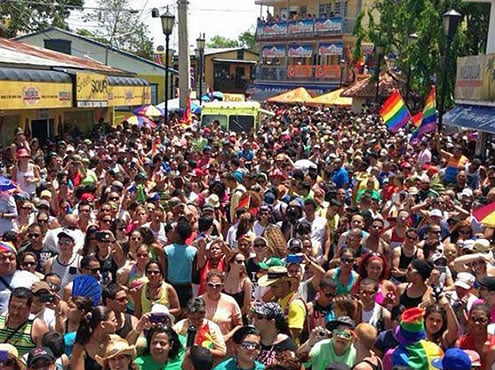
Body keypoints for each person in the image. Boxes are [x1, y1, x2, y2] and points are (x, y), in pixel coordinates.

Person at [258, 266, 307, 344]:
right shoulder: (277, 301)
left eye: (275, 286)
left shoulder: (295, 304)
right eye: (270, 286)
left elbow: (293, 335)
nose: (272, 290)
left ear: (286, 284)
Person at [200, 270, 242, 354]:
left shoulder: (230, 301)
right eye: (210, 285)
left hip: (224, 346)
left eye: (217, 285)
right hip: (203, 347)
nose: (214, 288)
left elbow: (239, 325)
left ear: (222, 286)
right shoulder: (199, 301)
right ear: (205, 285)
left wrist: (227, 336)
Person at [0, 287, 48, 356]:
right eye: (13, 307)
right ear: (8, 304)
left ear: (30, 308)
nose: (15, 312)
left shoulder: (38, 328)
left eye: (21, 308)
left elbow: (42, 357)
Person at [70, 306, 118, 370]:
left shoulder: (115, 340)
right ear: (102, 324)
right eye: (113, 320)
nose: (116, 323)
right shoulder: (80, 347)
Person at [251, 301, 297, 367]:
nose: (254, 319)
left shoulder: (287, 345)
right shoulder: (252, 341)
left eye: (259, 317)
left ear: (272, 322)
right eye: (253, 316)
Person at [164, 221, 197, 308]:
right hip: (186, 288)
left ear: (177, 234)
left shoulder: (166, 250)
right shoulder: (193, 251)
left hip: (170, 285)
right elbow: (194, 272)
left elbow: (164, 270)